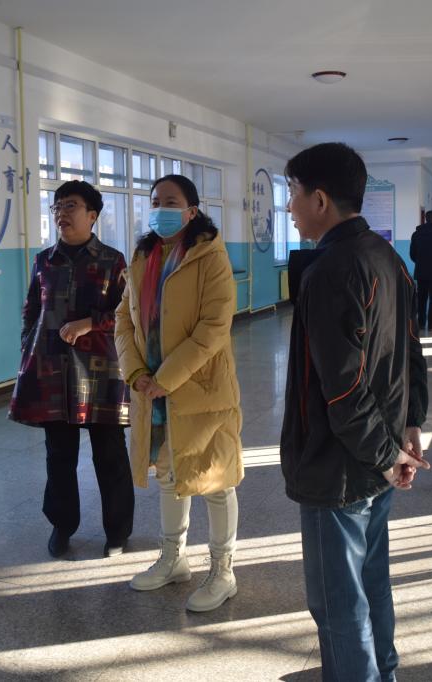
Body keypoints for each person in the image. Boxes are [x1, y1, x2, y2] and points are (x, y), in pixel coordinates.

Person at [279, 142, 430, 682]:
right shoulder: (387, 257)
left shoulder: (331, 271)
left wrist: (386, 455)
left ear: (320, 199)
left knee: (337, 604)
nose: (290, 206)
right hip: (378, 455)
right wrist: (408, 429)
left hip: (338, 466)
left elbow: (341, 391)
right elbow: (412, 352)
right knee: (370, 582)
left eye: (293, 193)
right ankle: (383, 672)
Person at [114, 174, 243, 613]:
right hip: (153, 389)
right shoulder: (144, 255)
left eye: (170, 202)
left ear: (192, 211)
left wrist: (165, 377)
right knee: (169, 476)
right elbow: (124, 319)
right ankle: (173, 559)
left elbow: (214, 326)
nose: (160, 209)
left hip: (200, 388)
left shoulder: (210, 256)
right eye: (155, 201)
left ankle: (223, 571)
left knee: (215, 481)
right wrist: (135, 371)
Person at [10, 180, 134, 559]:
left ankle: (117, 532)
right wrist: (28, 348)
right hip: (53, 373)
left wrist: (89, 323)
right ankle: (62, 526)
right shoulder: (43, 261)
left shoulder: (113, 261)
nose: (62, 214)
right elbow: (31, 311)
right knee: (59, 457)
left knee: (110, 455)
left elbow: (126, 315)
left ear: (92, 215)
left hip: (101, 373)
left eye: (71, 206)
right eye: (57, 207)